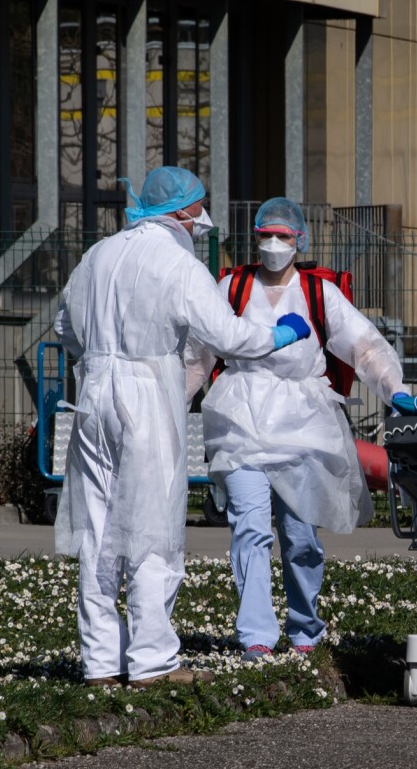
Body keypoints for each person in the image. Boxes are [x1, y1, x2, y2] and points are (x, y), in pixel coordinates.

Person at [53, 167, 312, 688]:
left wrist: (105, 354)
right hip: (147, 391)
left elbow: (64, 327)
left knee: (97, 529)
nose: (201, 222)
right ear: (182, 212)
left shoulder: (99, 254)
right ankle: (152, 661)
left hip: (94, 391)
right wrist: (279, 335)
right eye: (198, 211)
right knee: (154, 527)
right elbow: (227, 334)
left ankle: (101, 661)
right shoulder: (178, 263)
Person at [187, 198, 408, 661]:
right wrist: (174, 398)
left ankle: (305, 628)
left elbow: (362, 345)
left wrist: (394, 388)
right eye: (265, 234)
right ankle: (256, 637)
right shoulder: (232, 286)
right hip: (241, 420)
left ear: (299, 240)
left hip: (304, 422)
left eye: (283, 236)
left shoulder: (317, 292)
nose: (273, 244)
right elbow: (201, 352)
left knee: (300, 535)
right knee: (248, 528)